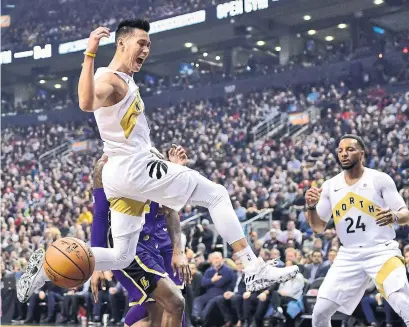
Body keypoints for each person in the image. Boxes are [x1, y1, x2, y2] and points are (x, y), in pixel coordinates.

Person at [18, 18, 298, 304]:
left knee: (122, 256)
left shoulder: (124, 80)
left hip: (122, 172)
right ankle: (251, 266)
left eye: (149, 45)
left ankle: (45, 268)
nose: (146, 50)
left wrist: (159, 158)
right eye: (141, 43)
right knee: (216, 195)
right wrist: (89, 52)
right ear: (121, 43)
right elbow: (86, 103)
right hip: (132, 167)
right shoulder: (109, 78)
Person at [305, 134, 409, 327]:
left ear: (362, 153)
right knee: (319, 313)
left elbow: (405, 213)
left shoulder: (379, 179)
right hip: (349, 255)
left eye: (350, 149)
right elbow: (318, 227)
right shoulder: (330, 186)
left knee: (403, 303)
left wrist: (394, 216)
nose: (344, 154)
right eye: (340, 151)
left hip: (381, 251)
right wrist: (311, 207)